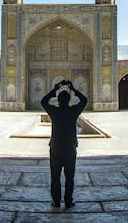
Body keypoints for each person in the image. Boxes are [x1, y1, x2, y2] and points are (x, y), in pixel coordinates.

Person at [40, 79, 87, 208]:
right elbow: (84, 100)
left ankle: (56, 201)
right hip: (70, 148)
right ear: (69, 100)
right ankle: (68, 200)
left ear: (59, 100)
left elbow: (43, 101)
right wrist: (73, 89)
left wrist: (55, 89)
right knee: (69, 176)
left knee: (55, 176)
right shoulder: (73, 111)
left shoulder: (54, 111)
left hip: (55, 148)